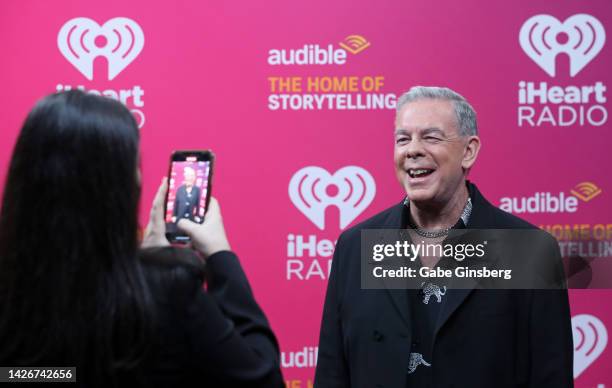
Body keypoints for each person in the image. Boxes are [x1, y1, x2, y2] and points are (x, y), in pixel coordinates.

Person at [0, 90, 284, 388]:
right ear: (118, 187)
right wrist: (219, 255)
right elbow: (263, 379)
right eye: (134, 165)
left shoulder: (13, 290)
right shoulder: (169, 291)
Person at [314, 86, 573, 387]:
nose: (412, 150)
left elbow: (550, 377)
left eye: (430, 137)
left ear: (468, 151)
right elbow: (332, 374)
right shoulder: (355, 247)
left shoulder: (529, 251)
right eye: (403, 139)